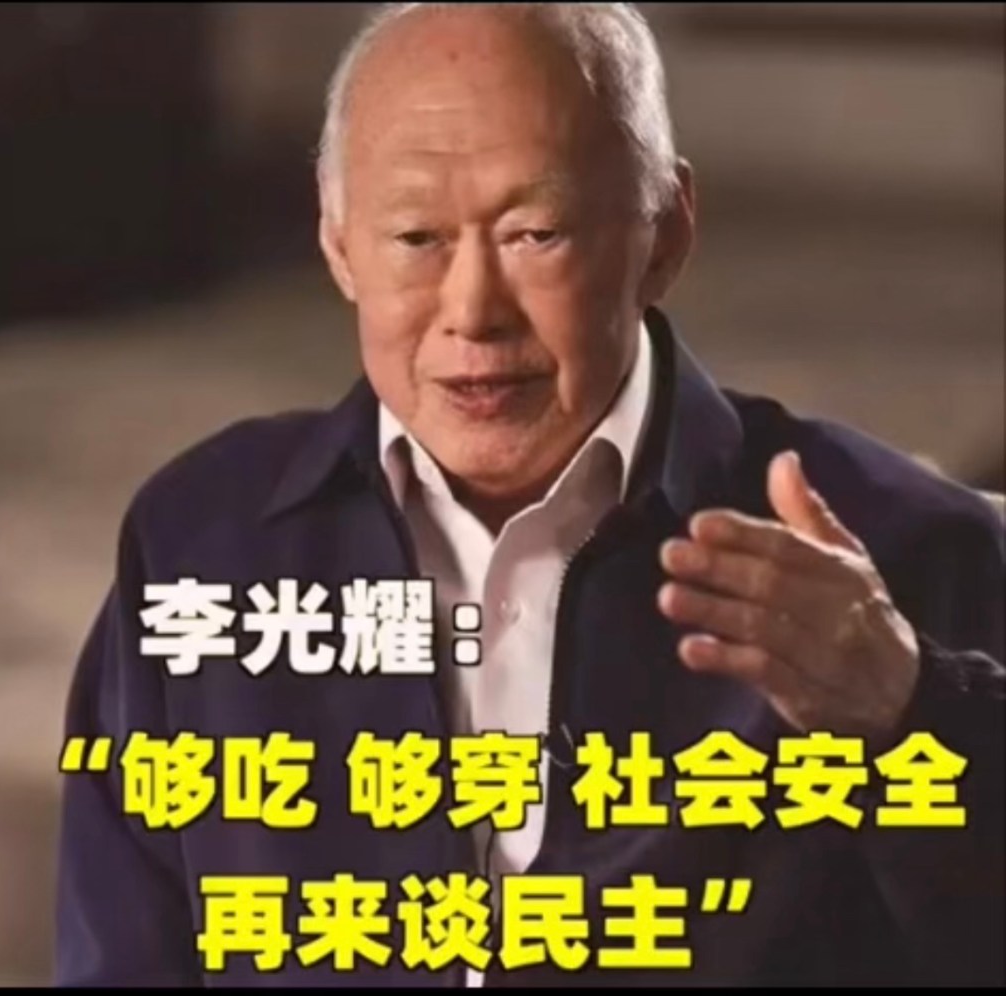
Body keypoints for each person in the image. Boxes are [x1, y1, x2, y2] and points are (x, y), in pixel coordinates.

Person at [54, 2, 1004, 987]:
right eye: (416, 236)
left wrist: (917, 710)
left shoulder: (901, 554)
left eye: (535, 233)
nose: (473, 311)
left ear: (664, 233)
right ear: (337, 246)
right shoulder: (201, 546)